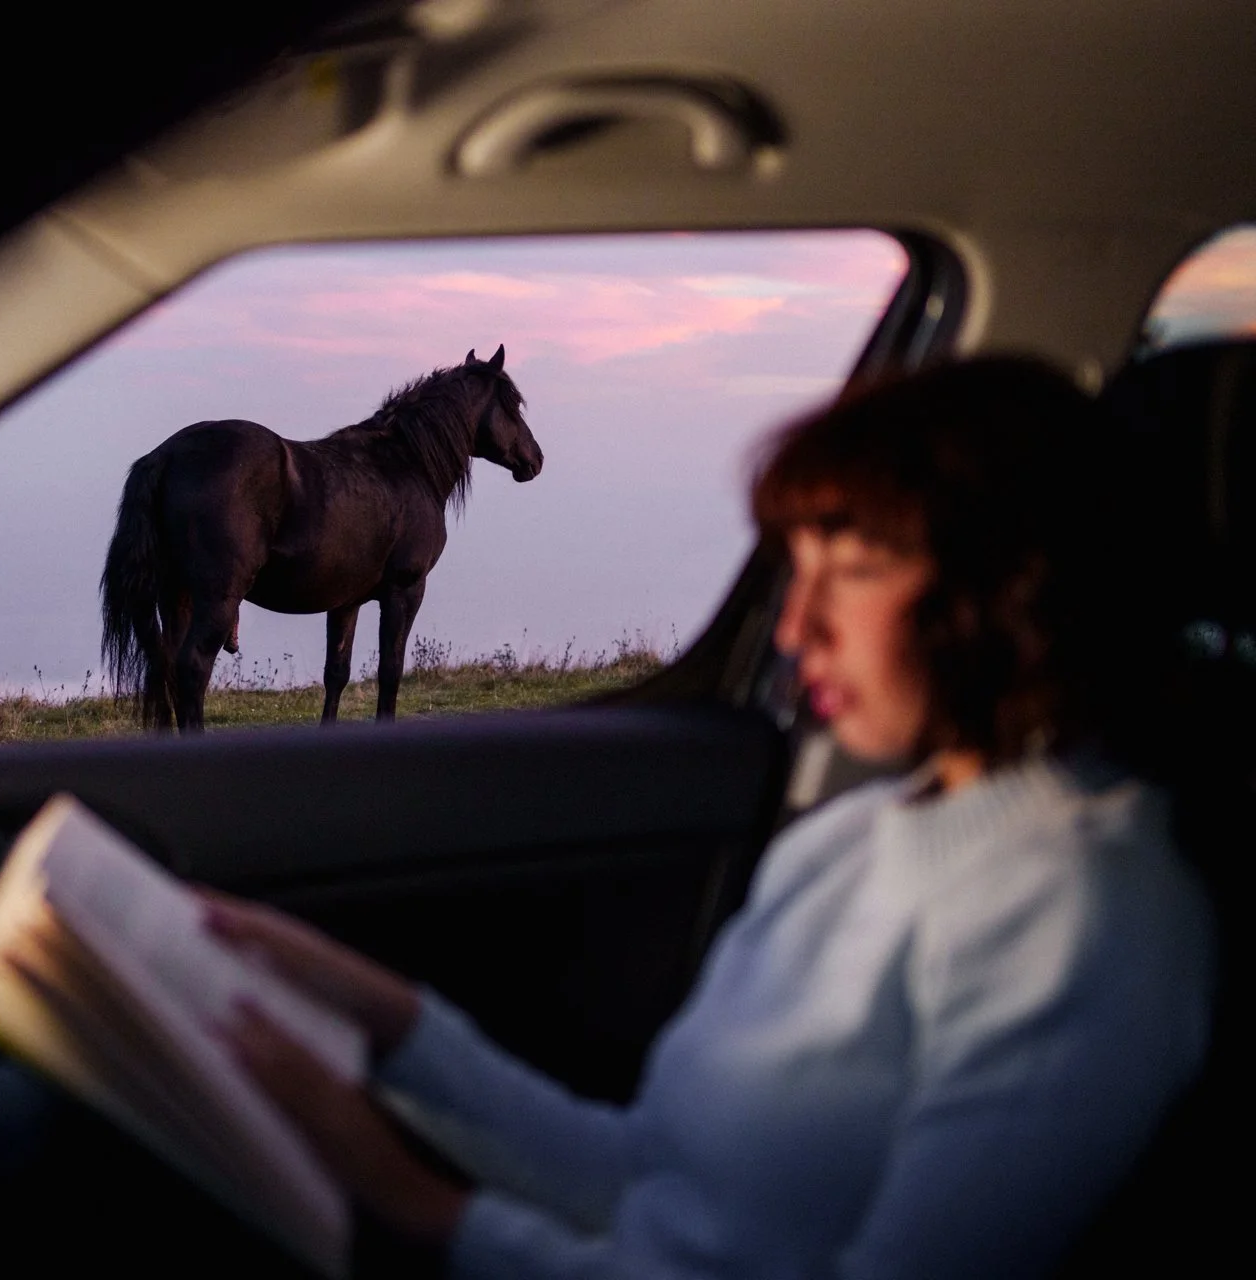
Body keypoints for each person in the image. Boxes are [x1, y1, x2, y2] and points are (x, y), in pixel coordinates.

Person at [210, 356, 1216, 1279]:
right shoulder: (852, 841)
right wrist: (384, 1016)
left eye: (850, 572)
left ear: (1008, 585)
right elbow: (646, 1173)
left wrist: (420, 1208)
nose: (795, 628)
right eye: (796, 572)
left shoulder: (1082, 915)